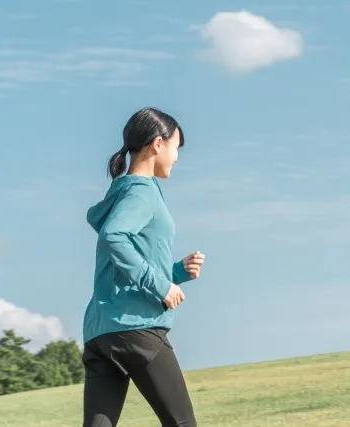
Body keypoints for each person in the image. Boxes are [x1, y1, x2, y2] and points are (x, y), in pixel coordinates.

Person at [81, 107, 205, 427]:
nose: (177, 157)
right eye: (176, 147)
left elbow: (124, 254)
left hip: (101, 332)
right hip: (137, 326)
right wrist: (162, 285)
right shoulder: (142, 191)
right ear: (158, 144)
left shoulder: (121, 192)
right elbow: (115, 236)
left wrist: (176, 273)